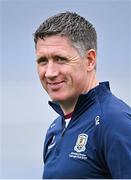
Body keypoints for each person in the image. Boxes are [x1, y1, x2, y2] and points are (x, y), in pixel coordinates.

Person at [34, 11, 131, 179]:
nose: (50, 73)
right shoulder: (55, 129)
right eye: (43, 61)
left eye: (60, 59)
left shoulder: (115, 122)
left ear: (90, 60)